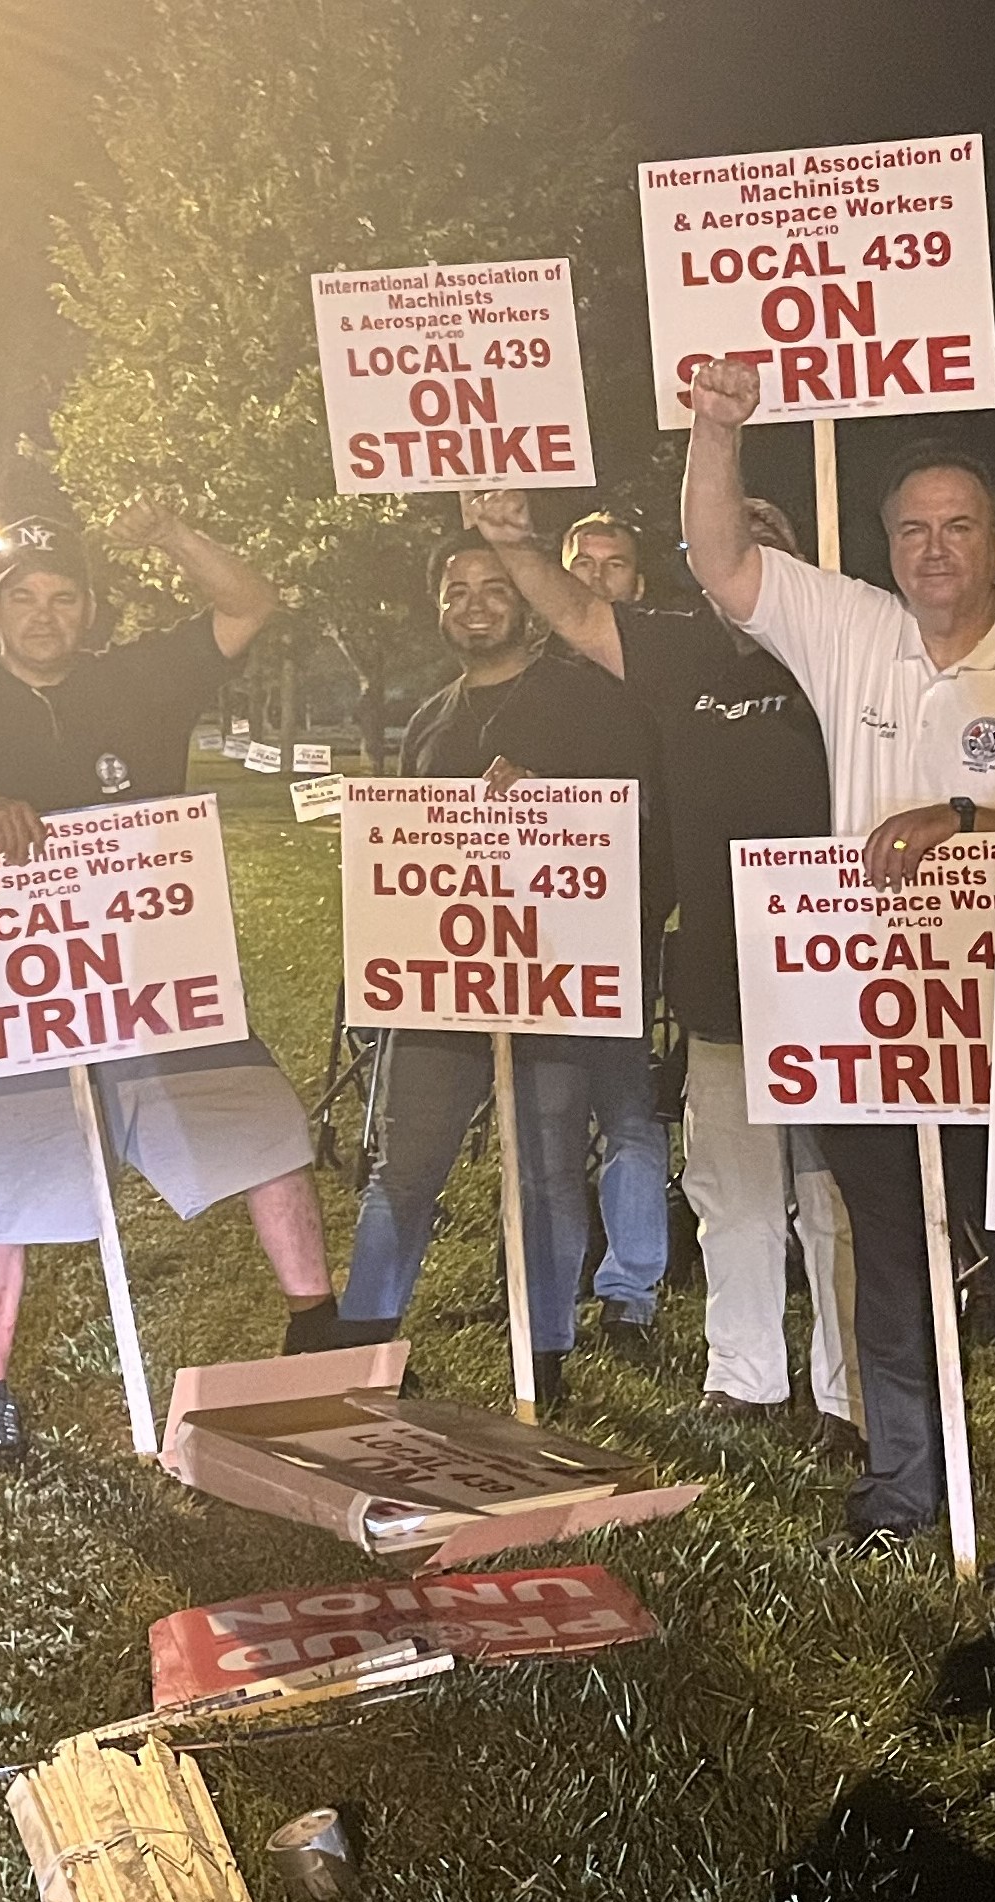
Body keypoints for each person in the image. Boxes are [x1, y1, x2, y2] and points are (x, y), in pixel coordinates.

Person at [676, 355, 995, 1592]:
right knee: (891, 1262)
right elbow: (720, 562)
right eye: (911, 530)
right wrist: (718, 431)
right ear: (885, 546)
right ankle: (902, 1489)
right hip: (874, 1027)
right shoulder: (852, 629)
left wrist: (969, 824)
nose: (934, 551)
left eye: (958, 527)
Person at [0, 506, 331, 1467]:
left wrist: (172, 534)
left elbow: (248, 603)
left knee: (267, 1131)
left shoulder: (139, 680)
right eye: (23, 596)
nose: (43, 614)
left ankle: (316, 1331)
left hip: (158, 982)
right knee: (4, 1192)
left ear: (90, 610)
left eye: (63, 596)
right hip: (20, 1002)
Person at [454, 487, 861, 1452]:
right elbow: (577, 615)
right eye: (731, 542)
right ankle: (745, 1377)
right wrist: (513, 542)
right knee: (732, 1188)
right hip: (720, 973)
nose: (749, 559)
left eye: (771, 540)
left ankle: (848, 1398)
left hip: (835, 976)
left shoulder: (846, 653)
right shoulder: (679, 654)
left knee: (835, 1199)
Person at [330, 511, 674, 1401]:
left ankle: (545, 1348)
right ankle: (363, 1344)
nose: (477, 607)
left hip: (551, 983)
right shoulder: (430, 720)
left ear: (527, 600)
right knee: (403, 1167)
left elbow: (637, 823)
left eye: (497, 589)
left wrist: (555, 802)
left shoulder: (590, 699)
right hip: (443, 991)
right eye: (459, 593)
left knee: (550, 1166)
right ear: (438, 610)